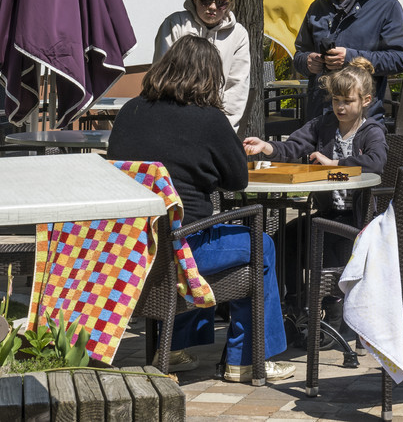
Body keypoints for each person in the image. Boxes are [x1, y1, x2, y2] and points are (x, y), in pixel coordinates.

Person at [106, 36, 294, 383]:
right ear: (209, 78)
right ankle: (248, 359)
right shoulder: (209, 119)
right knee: (260, 245)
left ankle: (176, 347)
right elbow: (237, 179)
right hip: (184, 249)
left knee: (193, 230)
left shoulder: (130, 111)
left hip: (134, 250)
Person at [243, 63, 387, 282]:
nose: (340, 107)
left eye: (348, 101)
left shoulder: (371, 131)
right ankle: (295, 305)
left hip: (357, 219)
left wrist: (334, 163)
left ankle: (333, 305)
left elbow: (376, 162)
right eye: (337, 99)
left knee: (321, 243)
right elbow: (293, 147)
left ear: (365, 101)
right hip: (327, 213)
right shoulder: (324, 125)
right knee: (284, 238)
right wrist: (266, 147)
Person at [294, 0, 403, 121]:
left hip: (363, 121)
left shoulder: (387, 7)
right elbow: (299, 54)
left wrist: (350, 58)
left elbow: (400, 59)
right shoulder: (318, 8)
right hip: (319, 119)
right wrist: (307, 61)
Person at [154, 0, 253, 128]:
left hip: (216, 123)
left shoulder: (238, 35)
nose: (213, 7)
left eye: (221, 3)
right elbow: (162, 76)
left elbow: (236, 88)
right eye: (206, 0)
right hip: (175, 120)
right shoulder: (175, 24)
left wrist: (222, 129)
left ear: (230, 4)